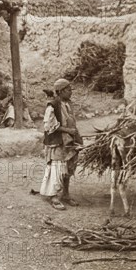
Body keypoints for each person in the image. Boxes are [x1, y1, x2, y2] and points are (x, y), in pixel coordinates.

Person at [39, 78, 83, 210]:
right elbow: (49, 125)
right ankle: (54, 197)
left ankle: (66, 194)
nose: (71, 92)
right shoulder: (52, 105)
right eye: (69, 90)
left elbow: (71, 121)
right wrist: (67, 130)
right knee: (57, 168)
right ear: (62, 91)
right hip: (57, 142)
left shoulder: (68, 103)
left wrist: (76, 136)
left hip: (69, 141)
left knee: (69, 167)